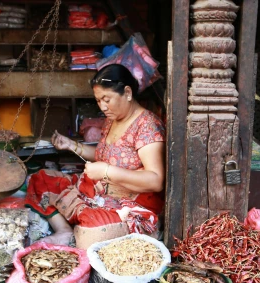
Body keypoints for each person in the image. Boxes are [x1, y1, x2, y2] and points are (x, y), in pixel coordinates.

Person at [25, 64, 165, 245]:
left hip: (129, 202)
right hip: (96, 191)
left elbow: (155, 180)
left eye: (107, 99)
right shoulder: (112, 119)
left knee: (93, 232)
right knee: (40, 179)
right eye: (99, 101)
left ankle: (84, 228)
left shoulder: (146, 125)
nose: (103, 106)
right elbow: (103, 155)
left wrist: (106, 171)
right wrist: (71, 145)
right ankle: (65, 231)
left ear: (128, 93)